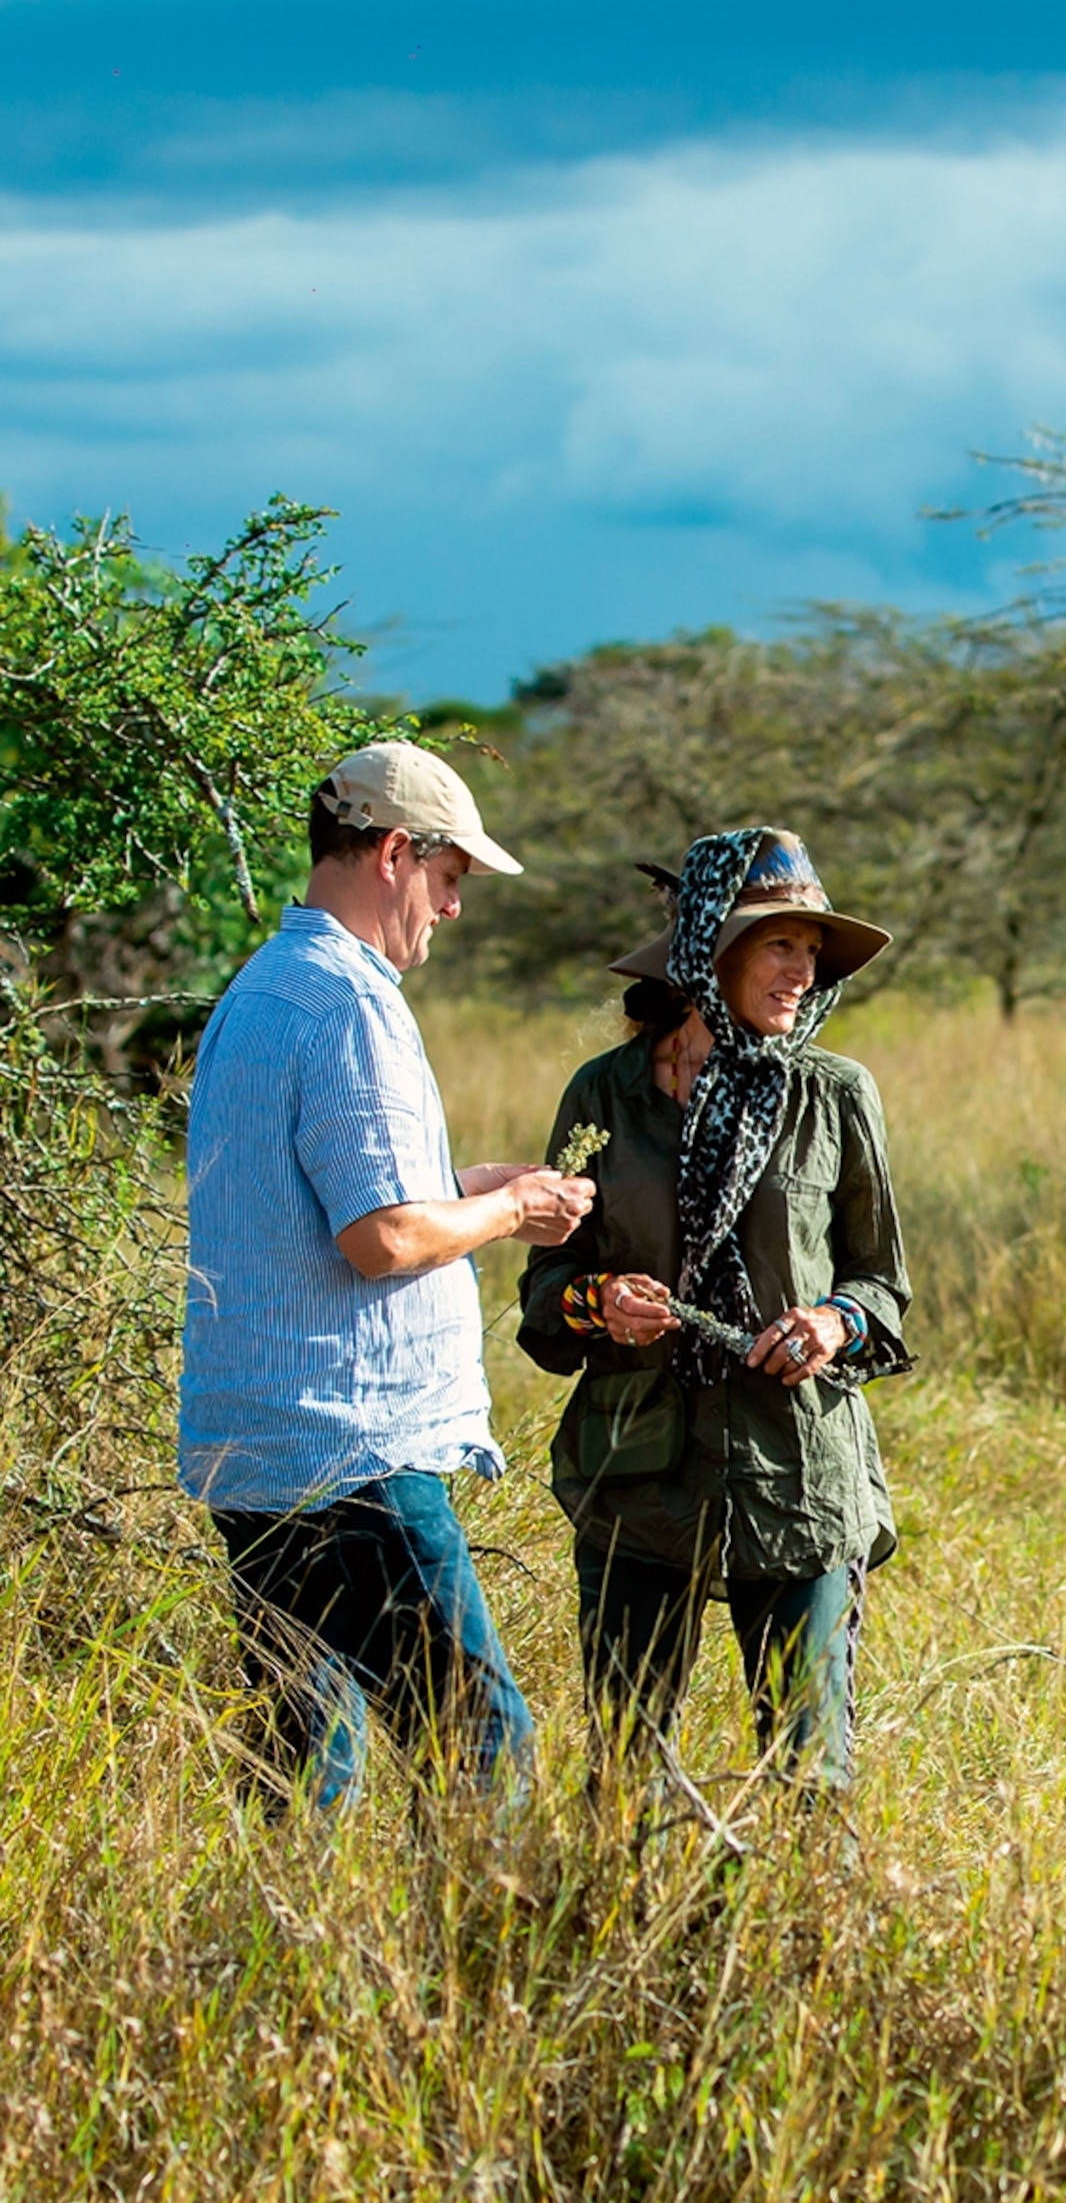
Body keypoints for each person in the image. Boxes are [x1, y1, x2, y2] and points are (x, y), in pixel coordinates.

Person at [180, 740, 594, 1809]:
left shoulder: (264, 990)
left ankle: (266, 1968)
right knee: (484, 1753)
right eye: (451, 877)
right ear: (397, 854)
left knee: (305, 1770)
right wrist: (514, 1211)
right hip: (352, 1456)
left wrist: (462, 1183)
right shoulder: (351, 1004)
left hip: (259, 1452)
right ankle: (480, 1970)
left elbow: (323, 1206)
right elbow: (382, 1242)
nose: (453, 907)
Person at [517, 825, 911, 1801]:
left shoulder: (834, 1094)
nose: (802, 971)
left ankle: (801, 1948)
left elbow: (880, 1287)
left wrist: (830, 1325)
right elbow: (542, 1289)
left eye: (813, 951)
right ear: (708, 949)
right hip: (640, 1476)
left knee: (810, 1777)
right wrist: (597, 1303)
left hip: (798, 1474)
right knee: (624, 1766)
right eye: (780, 943)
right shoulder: (600, 1097)